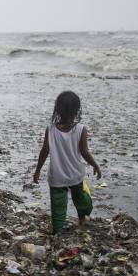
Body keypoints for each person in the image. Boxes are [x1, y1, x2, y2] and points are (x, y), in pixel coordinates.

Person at [32, 91, 102, 233]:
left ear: (57, 110)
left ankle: (58, 230)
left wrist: (38, 170)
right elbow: (85, 152)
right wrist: (95, 165)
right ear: (77, 110)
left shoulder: (51, 129)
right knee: (82, 201)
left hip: (57, 176)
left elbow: (44, 151)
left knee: (58, 208)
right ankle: (82, 216)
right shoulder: (80, 130)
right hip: (75, 175)